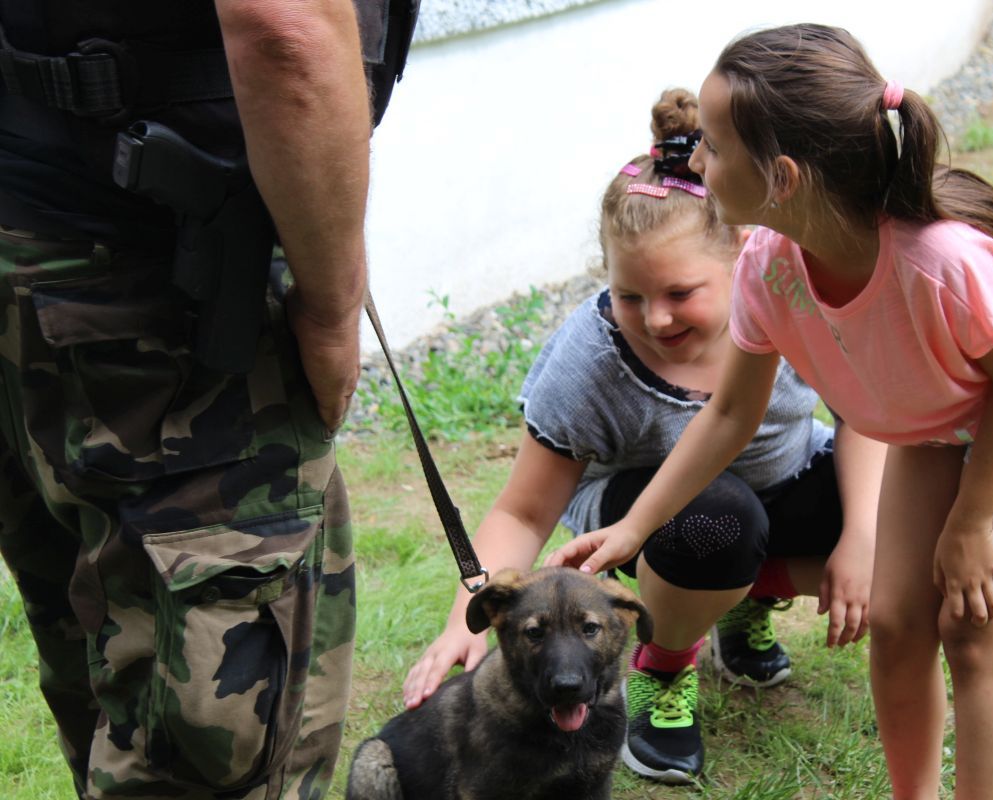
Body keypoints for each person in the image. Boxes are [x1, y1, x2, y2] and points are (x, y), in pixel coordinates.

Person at [548, 23, 993, 800]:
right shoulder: (769, 264)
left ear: (781, 176)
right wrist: (634, 527)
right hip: (936, 399)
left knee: (973, 631)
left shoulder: (941, 263)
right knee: (899, 620)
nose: (698, 162)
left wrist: (970, 523)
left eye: (714, 145)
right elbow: (730, 415)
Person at [403, 87, 885, 785]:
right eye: (630, 296)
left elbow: (861, 412)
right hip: (653, 517)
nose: (655, 318)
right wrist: (464, 622)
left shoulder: (789, 295)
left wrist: (862, 536)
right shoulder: (588, 359)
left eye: (681, 293)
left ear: (742, 252)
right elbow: (524, 511)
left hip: (783, 481)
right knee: (715, 517)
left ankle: (741, 598)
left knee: (904, 516)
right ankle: (665, 662)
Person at [0, 1, 417, 797]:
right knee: (201, 749)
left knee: (107, 656)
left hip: (39, 242)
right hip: (160, 289)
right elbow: (284, 27)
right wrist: (332, 310)